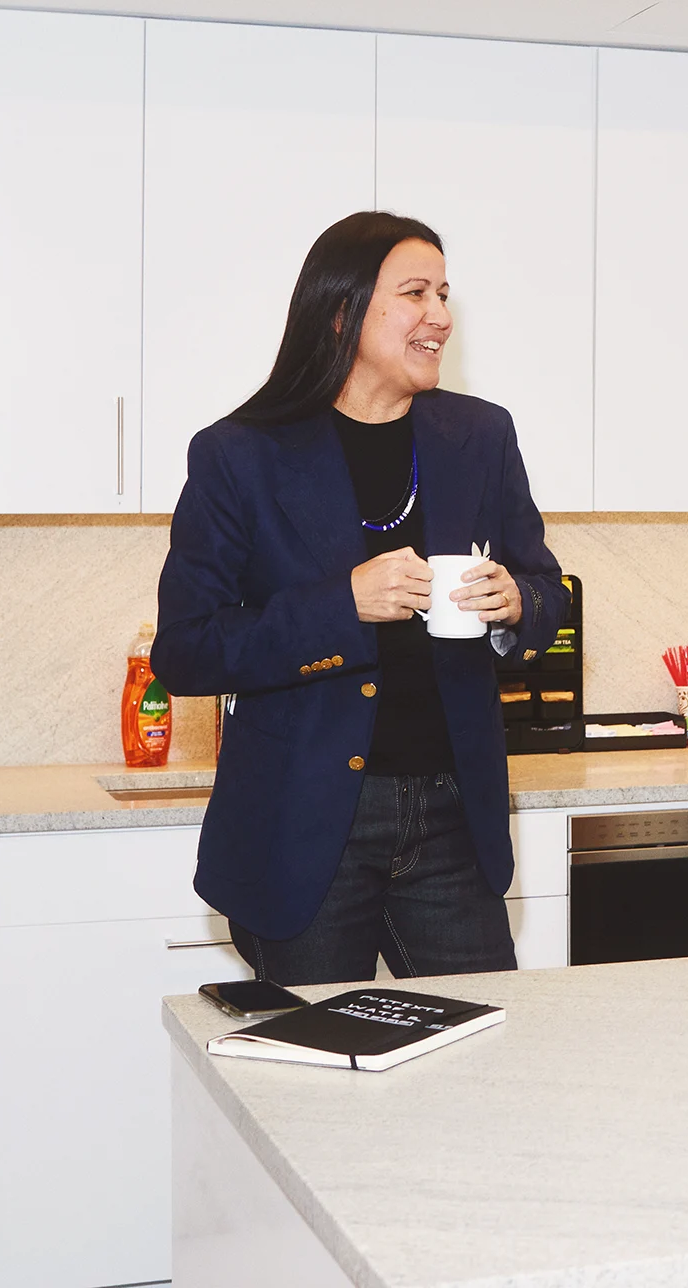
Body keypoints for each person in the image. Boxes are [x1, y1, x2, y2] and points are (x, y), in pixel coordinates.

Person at [152, 211, 570, 984]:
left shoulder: (480, 437)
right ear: (342, 312)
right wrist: (340, 605)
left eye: (444, 294)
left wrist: (517, 603)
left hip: (452, 818)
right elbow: (186, 649)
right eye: (416, 293)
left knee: (483, 1058)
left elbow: (548, 591)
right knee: (313, 1081)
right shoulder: (239, 455)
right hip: (305, 824)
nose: (441, 317)